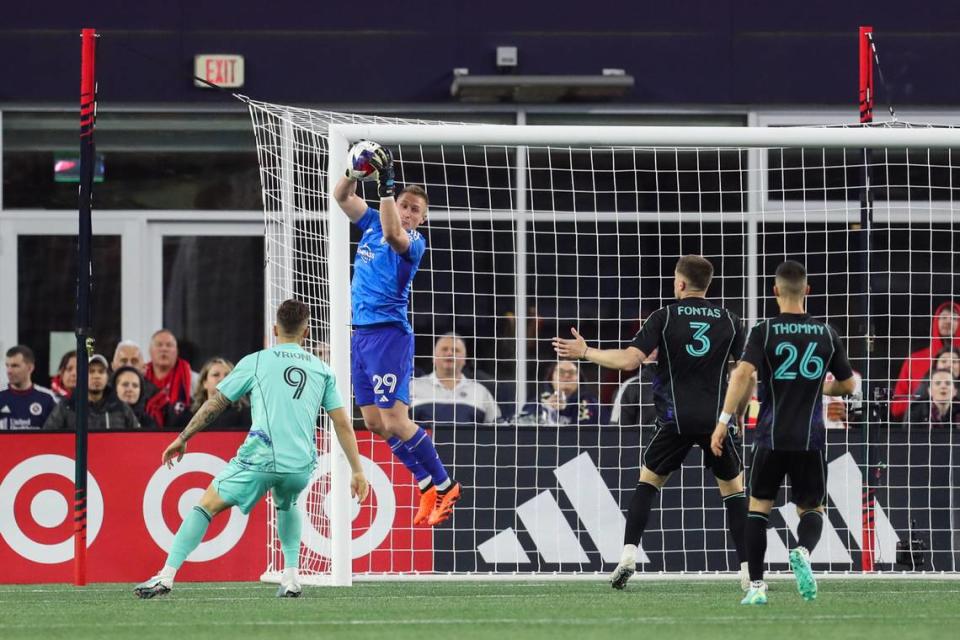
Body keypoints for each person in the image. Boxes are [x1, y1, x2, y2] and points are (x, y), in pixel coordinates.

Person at [134, 299, 369, 599]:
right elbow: (343, 424)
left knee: (206, 505)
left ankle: (166, 576)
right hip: (299, 464)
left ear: (274, 329)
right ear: (306, 332)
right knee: (287, 503)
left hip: (259, 457)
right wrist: (358, 470)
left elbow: (217, 402)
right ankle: (292, 576)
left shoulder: (256, 361)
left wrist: (184, 436)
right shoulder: (323, 370)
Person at [553, 255, 749, 591]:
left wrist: (586, 352)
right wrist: (738, 415)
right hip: (716, 420)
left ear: (681, 283)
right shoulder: (730, 320)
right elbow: (744, 373)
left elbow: (630, 360)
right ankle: (748, 570)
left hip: (674, 419)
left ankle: (628, 554)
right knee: (733, 492)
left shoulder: (665, 315)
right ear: (708, 284)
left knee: (648, 483)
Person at [711, 260, 857, 606]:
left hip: (770, 437)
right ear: (807, 290)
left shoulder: (764, 330)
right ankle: (803, 552)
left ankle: (758, 587)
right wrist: (816, 389)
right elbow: (848, 384)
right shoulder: (826, 333)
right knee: (812, 510)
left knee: (758, 508)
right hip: (810, 439)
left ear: (775, 291)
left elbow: (742, 374)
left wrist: (723, 420)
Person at [334, 141, 461, 528]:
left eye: (414, 210)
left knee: (397, 420)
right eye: (404, 205)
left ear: (422, 219)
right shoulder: (373, 219)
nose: (407, 213)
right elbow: (341, 196)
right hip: (360, 336)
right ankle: (424, 483)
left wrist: (387, 185)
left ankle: (445, 483)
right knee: (373, 422)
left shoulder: (412, 243)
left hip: (389, 335)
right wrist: (355, 171)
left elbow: (393, 235)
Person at [410, 333, 501, 427]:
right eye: (444, 349)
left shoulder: (480, 392)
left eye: (456, 350)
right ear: (433, 356)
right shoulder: (413, 387)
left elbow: (497, 429)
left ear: (465, 359)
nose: (449, 353)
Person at [891, 301, 960, 421]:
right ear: (935, 321)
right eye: (943, 317)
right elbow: (896, 407)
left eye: (954, 318)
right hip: (920, 433)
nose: (948, 321)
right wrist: (926, 399)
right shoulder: (915, 361)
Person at [44, 354, 140, 431]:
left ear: (107, 377)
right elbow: (48, 438)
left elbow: (138, 440)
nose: (96, 376)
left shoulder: (121, 408)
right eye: (91, 371)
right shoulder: (66, 407)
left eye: (101, 371)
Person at [171, 357, 252, 431]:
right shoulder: (188, 417)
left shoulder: (248, 414)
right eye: (216, 375)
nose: (222, 379)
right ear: (204, 383)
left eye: (227, 375)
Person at [516, 361, 603, 426]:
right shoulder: (537, 402)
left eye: (572, 372)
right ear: (551, 379)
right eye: (561, 372)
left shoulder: (592, 403)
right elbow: (522, 423)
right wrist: (547, 409)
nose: (566, 375)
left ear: (579, 379)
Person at [0, 345, 59, 430]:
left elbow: (57, 435)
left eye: (15, 366)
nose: (9, 371)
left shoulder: (47, 398)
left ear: (30, 368)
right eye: (7, 365)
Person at [114, 340, 170, 427]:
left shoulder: (159, 400)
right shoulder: (101, 397)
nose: (129, 365)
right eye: (124, 361)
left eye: (134, 361)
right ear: (113, 366)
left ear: (144, 368)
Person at [145, 329, 194, 420]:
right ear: (150, 351)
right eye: (159, 345)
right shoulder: (141, 377)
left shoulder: (193, 379)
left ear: (176, 351)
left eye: (169, 345)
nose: (164, 349)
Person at [609, 350, 658, 427]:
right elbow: (617, 431)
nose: (651, 350)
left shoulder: (679, 382)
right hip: (644, 438)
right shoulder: (631, 386)